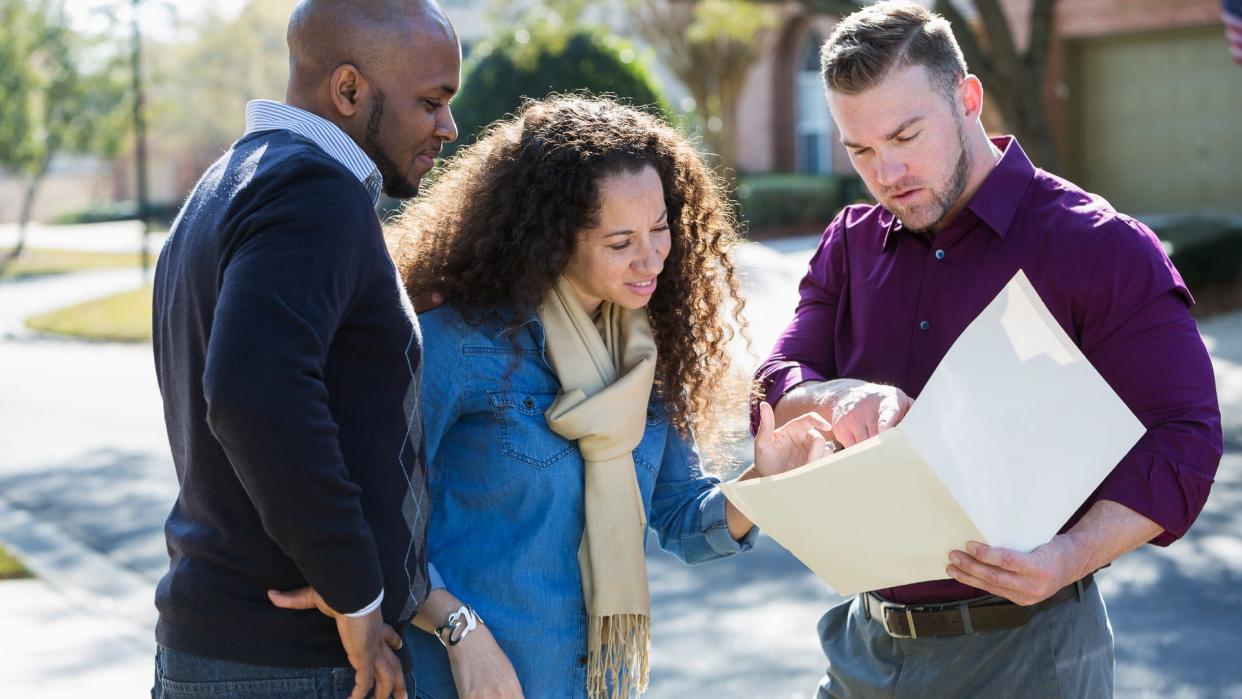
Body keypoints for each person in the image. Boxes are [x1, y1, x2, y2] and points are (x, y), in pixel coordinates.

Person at [755, 2, 1223, 697]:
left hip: (1031, 656)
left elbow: (1185, 440)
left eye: (906, 135)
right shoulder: (850, 243)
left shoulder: (1100, 247)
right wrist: (835, 394)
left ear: (967, 98)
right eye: (860, 150)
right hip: (863, 650)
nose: (886, 171)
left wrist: (1067, 556)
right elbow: (777, 381)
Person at [384, 94, 833, 699]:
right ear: (552, 240)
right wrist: (460, 631)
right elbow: (377, 516)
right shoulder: (457, 347)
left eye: (660, 229)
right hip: (465, 681)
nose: (650, 259)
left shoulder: (647, 353)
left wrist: (761, 481)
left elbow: (681, 518)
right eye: (620, 242)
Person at [150, 1, 459, 697]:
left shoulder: (225, 184)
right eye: (432, 101)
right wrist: (353, 590)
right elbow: (253, 390)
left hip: (227, 648)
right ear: (348, 91)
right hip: (294, 662)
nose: (448, 125)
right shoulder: (315, 189)